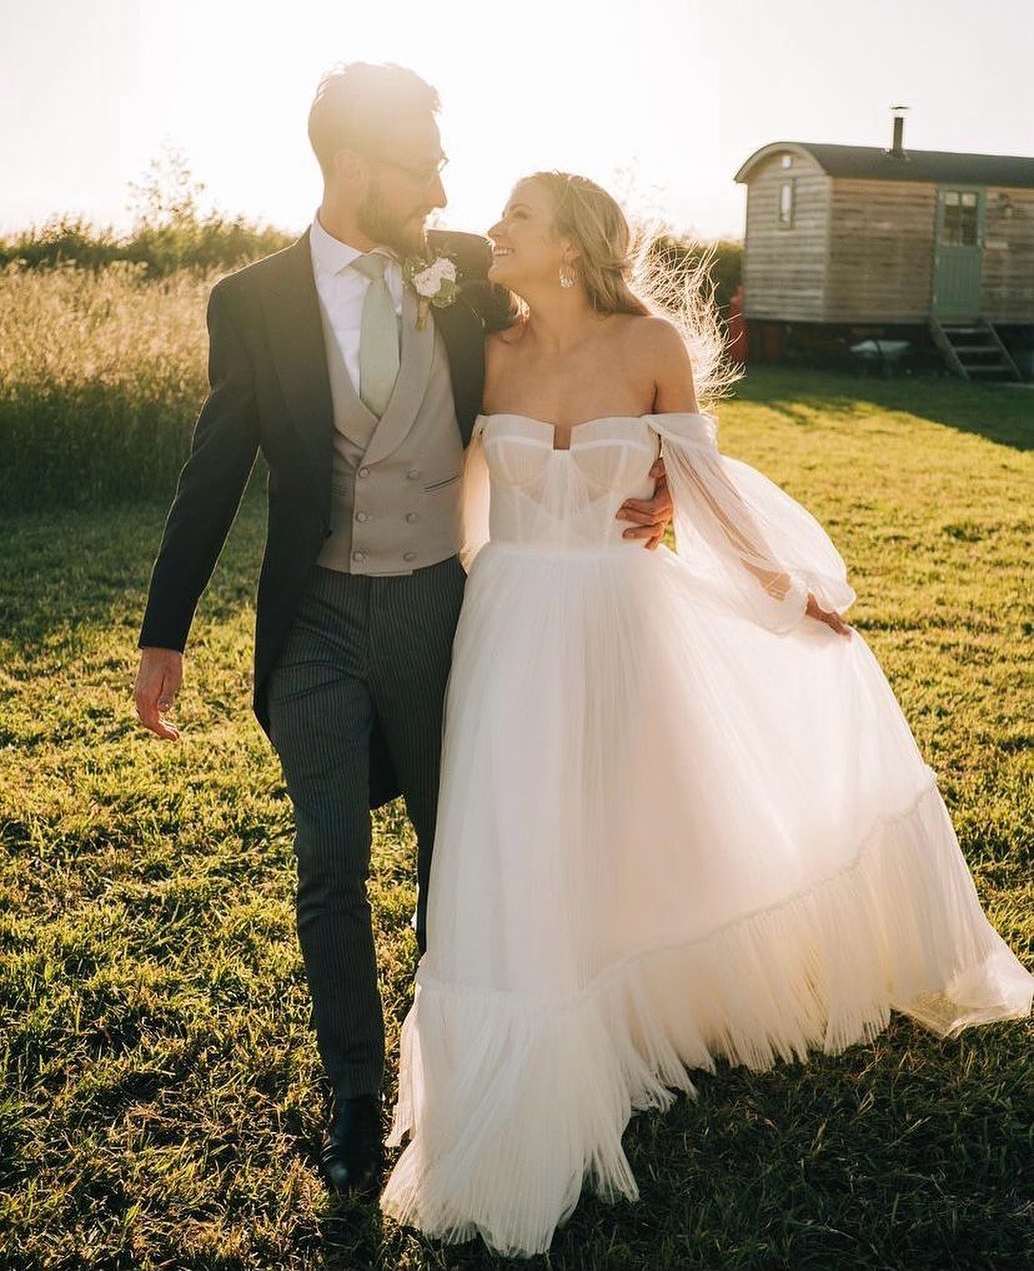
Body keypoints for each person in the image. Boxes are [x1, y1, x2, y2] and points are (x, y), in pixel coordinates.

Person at [379, 172, 1034, 1258]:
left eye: (519, 218)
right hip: (504, 624)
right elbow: (450, 508)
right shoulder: (484, 350)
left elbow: (703, 484)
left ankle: (622, 1022)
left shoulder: (650, 350)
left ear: (575, 250)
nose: (495, 230)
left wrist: (786, 590)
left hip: (616, 611)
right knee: (511, 843)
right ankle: (507, 1080)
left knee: (623, 826)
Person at [132, 71, 674, 1197]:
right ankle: (354, 1097)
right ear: (353, 169)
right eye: (422, 164)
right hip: (314, 621)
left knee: (456, 856)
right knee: (328, 866)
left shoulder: (473, 269)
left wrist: (657, 477)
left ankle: (459, 1079)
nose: (444, 184)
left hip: (441, 606)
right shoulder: (252, 300)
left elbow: (597, 363)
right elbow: (212, 467)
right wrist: (163, 632)